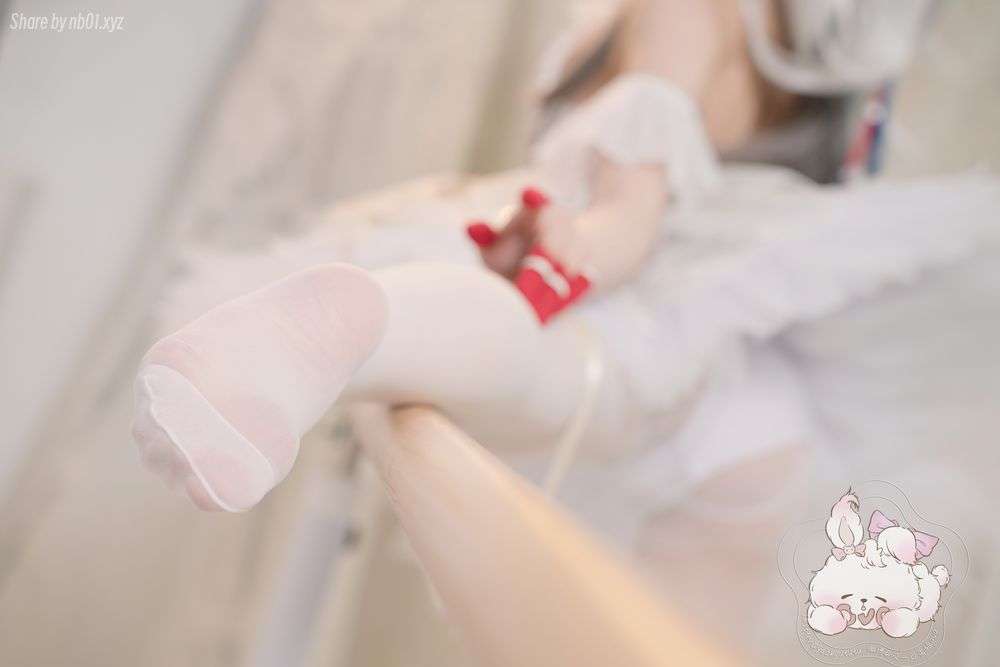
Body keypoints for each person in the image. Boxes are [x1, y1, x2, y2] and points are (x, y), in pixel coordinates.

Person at [133, 0, 998, 651]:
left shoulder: (691, 12)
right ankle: (357, 328)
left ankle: (372, 325)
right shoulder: (825, 53)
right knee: (668, 631)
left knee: (521, 341)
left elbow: (627, 216)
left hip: (664, 320)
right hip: (757, 403)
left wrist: (571, 251)